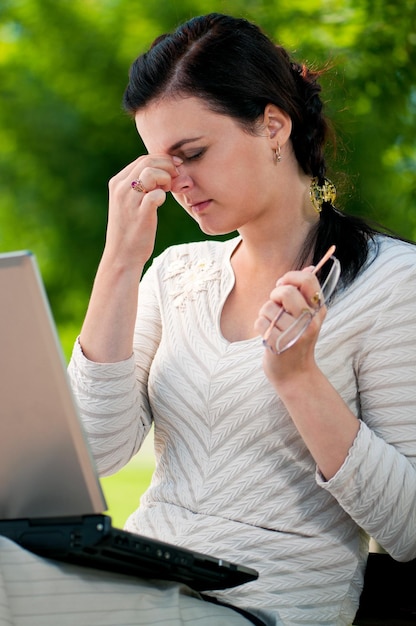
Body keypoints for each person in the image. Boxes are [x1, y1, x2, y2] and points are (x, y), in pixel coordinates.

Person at [2, 12, 414, 626]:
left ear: (273, 126)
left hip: (263, 606)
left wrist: (300, 380)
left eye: (191, 153)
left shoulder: (391, 282)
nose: (176, 183)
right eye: (159, 162)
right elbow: (99, 452)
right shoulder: (176, 273)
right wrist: (119, 262)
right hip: (146, 582)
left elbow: (408, 531)